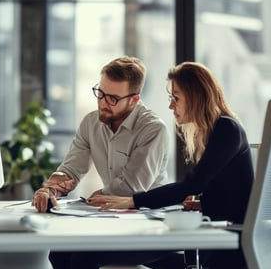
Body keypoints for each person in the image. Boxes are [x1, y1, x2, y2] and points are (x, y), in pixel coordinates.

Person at [79, 62, 254, 269]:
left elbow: (193, 183)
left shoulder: (227, 128)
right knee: (75, 255)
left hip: (225, 249)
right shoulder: (219, 131)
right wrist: (201, 202)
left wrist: (133, 200)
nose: (171, 106)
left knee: (82, 256)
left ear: (196, 96)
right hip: (216, 240)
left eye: (175, 98)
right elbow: (229, 192)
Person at [32, 56, 170, 213]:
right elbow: (71, 170)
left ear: (134, 100)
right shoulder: (90, 123)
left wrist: (93, 199)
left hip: (149, 214)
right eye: (100, 93)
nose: (103, 103)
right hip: (111, 213)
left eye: (112, 99)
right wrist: (50, 189)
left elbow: (132, 187)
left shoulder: (153, 129)